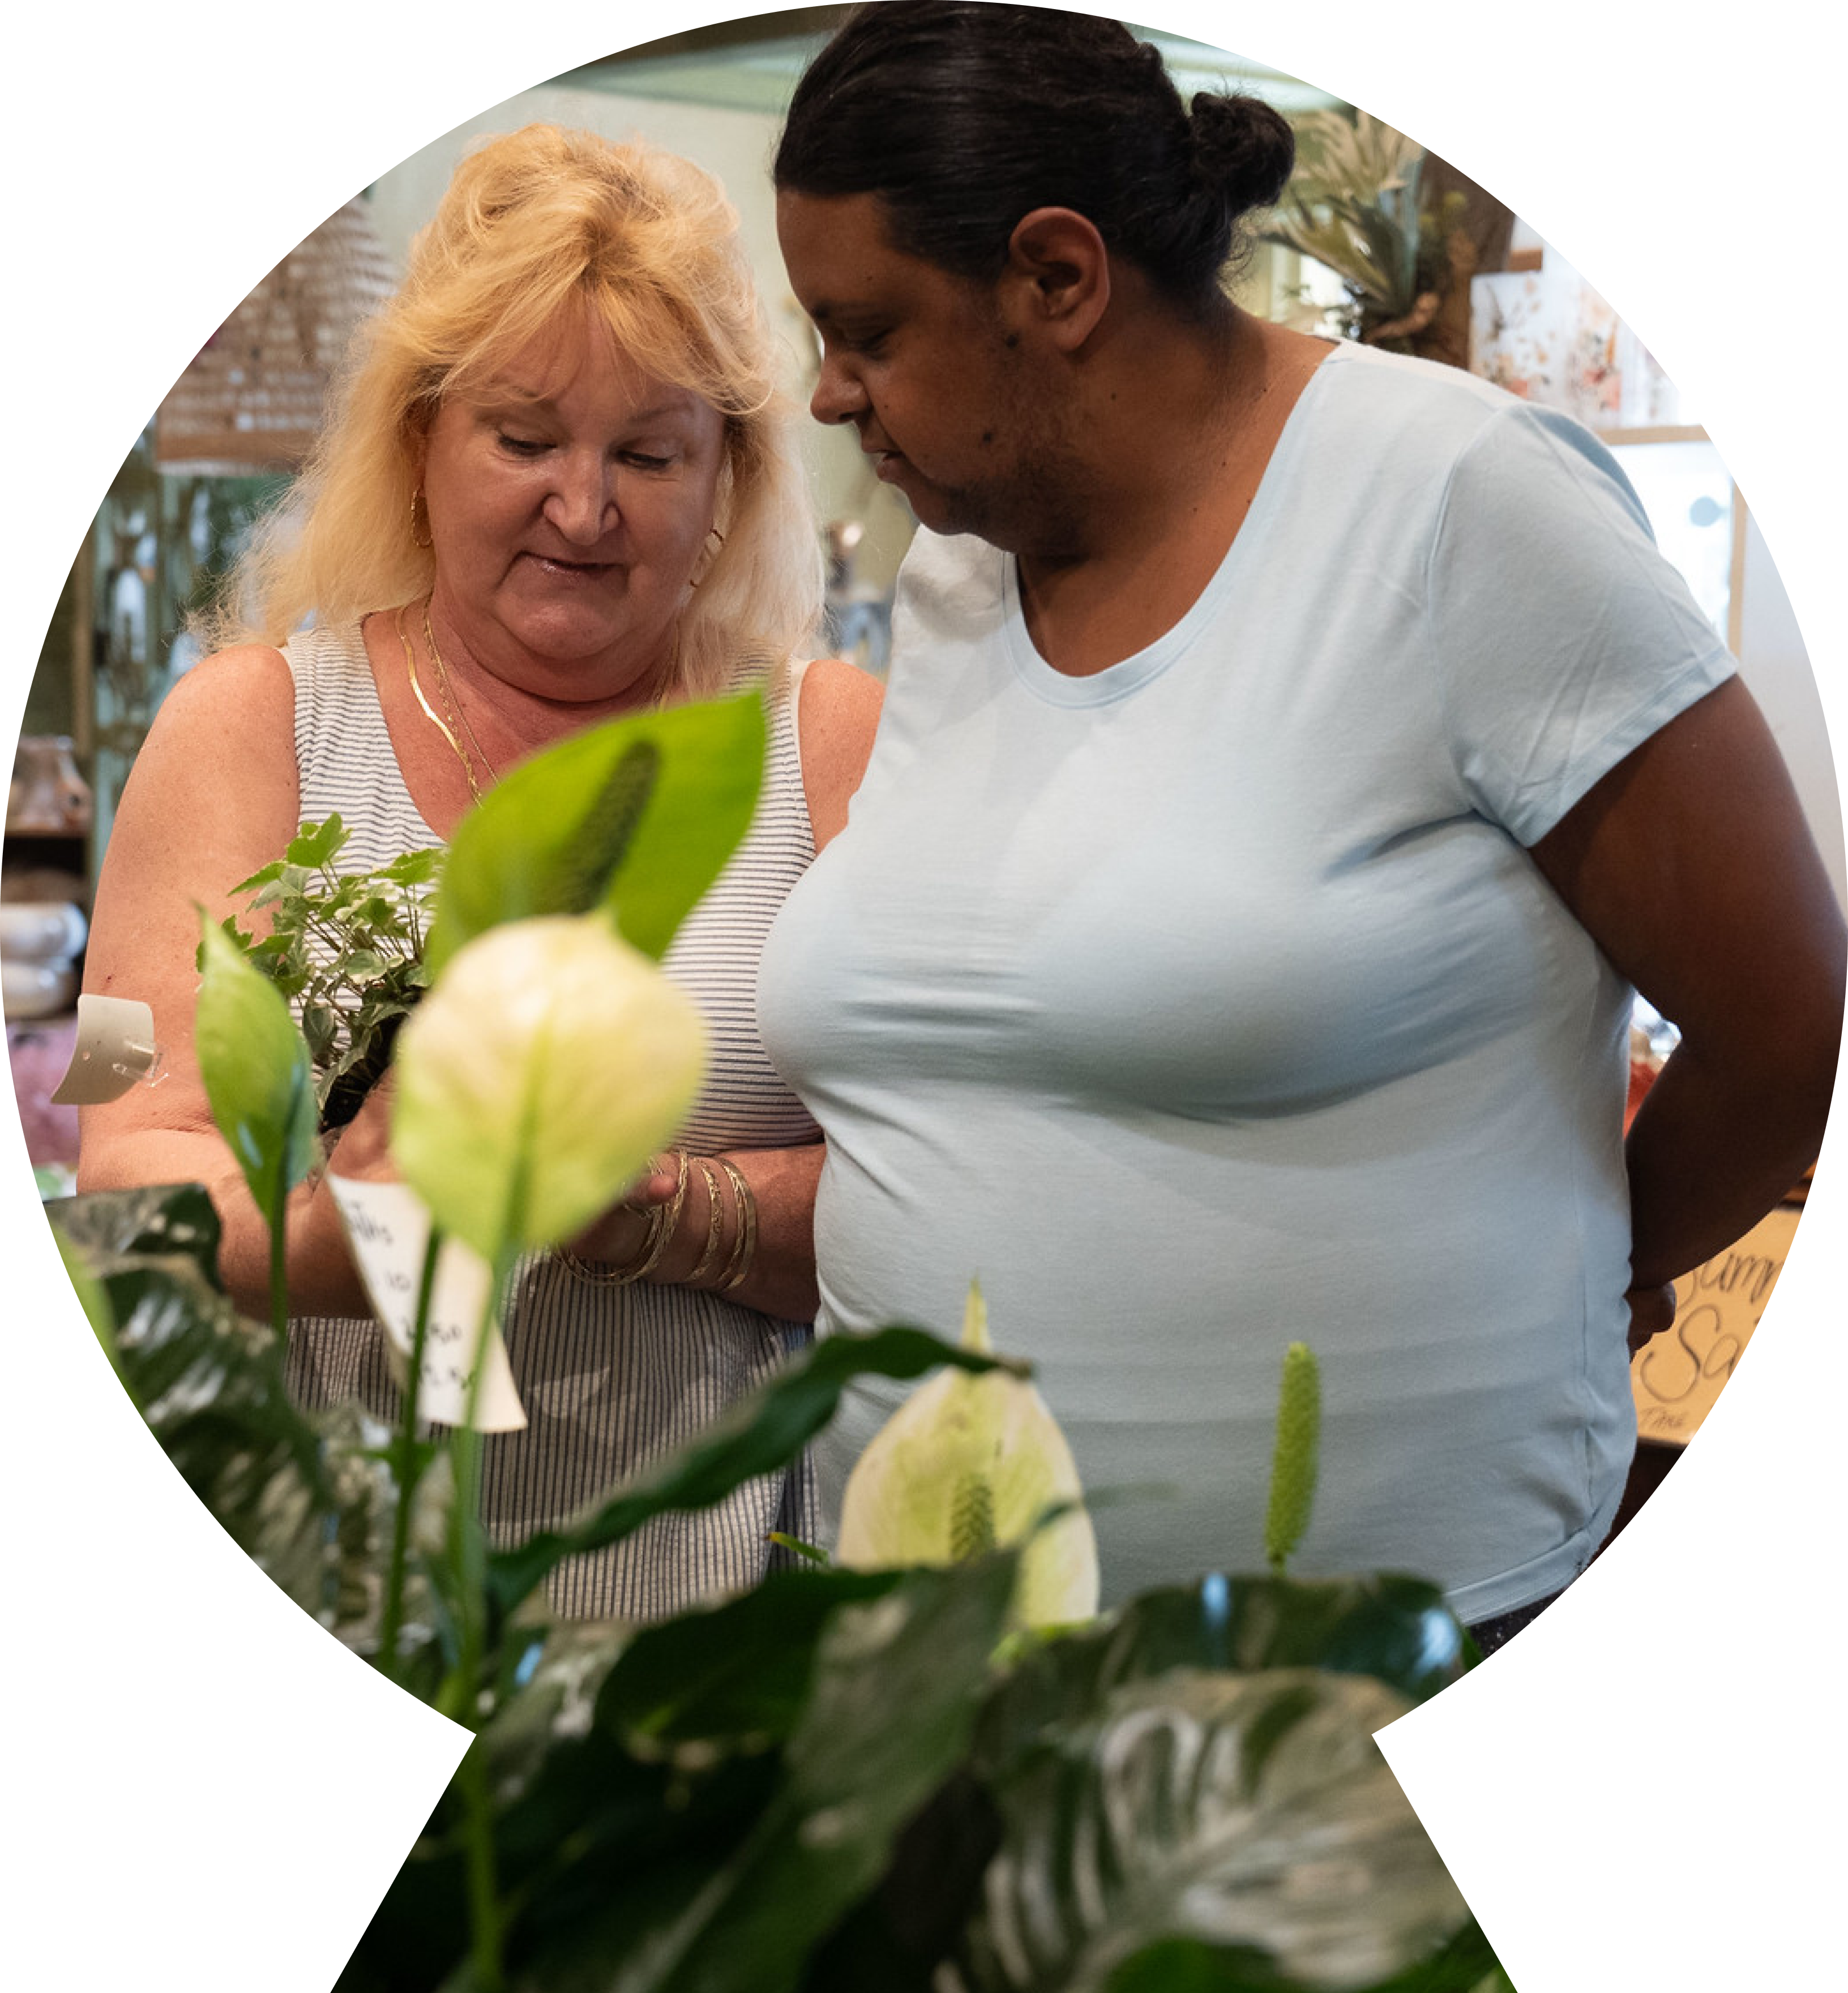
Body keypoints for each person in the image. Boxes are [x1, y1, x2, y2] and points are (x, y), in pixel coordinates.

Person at [756, 2, 1845, 1650]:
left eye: (867, 331)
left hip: (1358, 1665)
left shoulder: (1457, 501)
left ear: (1057, 279)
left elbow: (1793, 1024)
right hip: (916, 1645)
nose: (830, 393)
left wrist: (1600, 1262)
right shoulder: (960, 568)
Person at [77, 125, 884, 1621]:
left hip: (724, 1622)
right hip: (334, 1582)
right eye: (526, 440)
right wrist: (353, 1234)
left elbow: (935, 1191)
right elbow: (126, 1160)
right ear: (420, 438)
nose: (586, 510)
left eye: (649, 454)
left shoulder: (823, 741)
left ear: (727, 476)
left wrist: (640, 1204)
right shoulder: (250, 723)